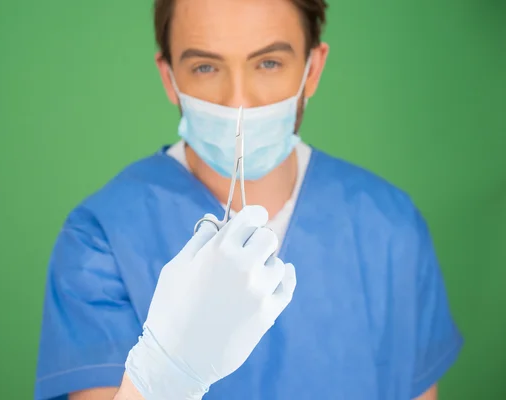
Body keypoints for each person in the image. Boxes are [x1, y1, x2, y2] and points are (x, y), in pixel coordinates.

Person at [34, 0, 464, 399]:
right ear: (170, 79)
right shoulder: (101, 239)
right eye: (205, 67)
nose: (239, 102)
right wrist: (166, 372)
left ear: (312, 69)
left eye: (269, 62)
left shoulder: (388, 229)